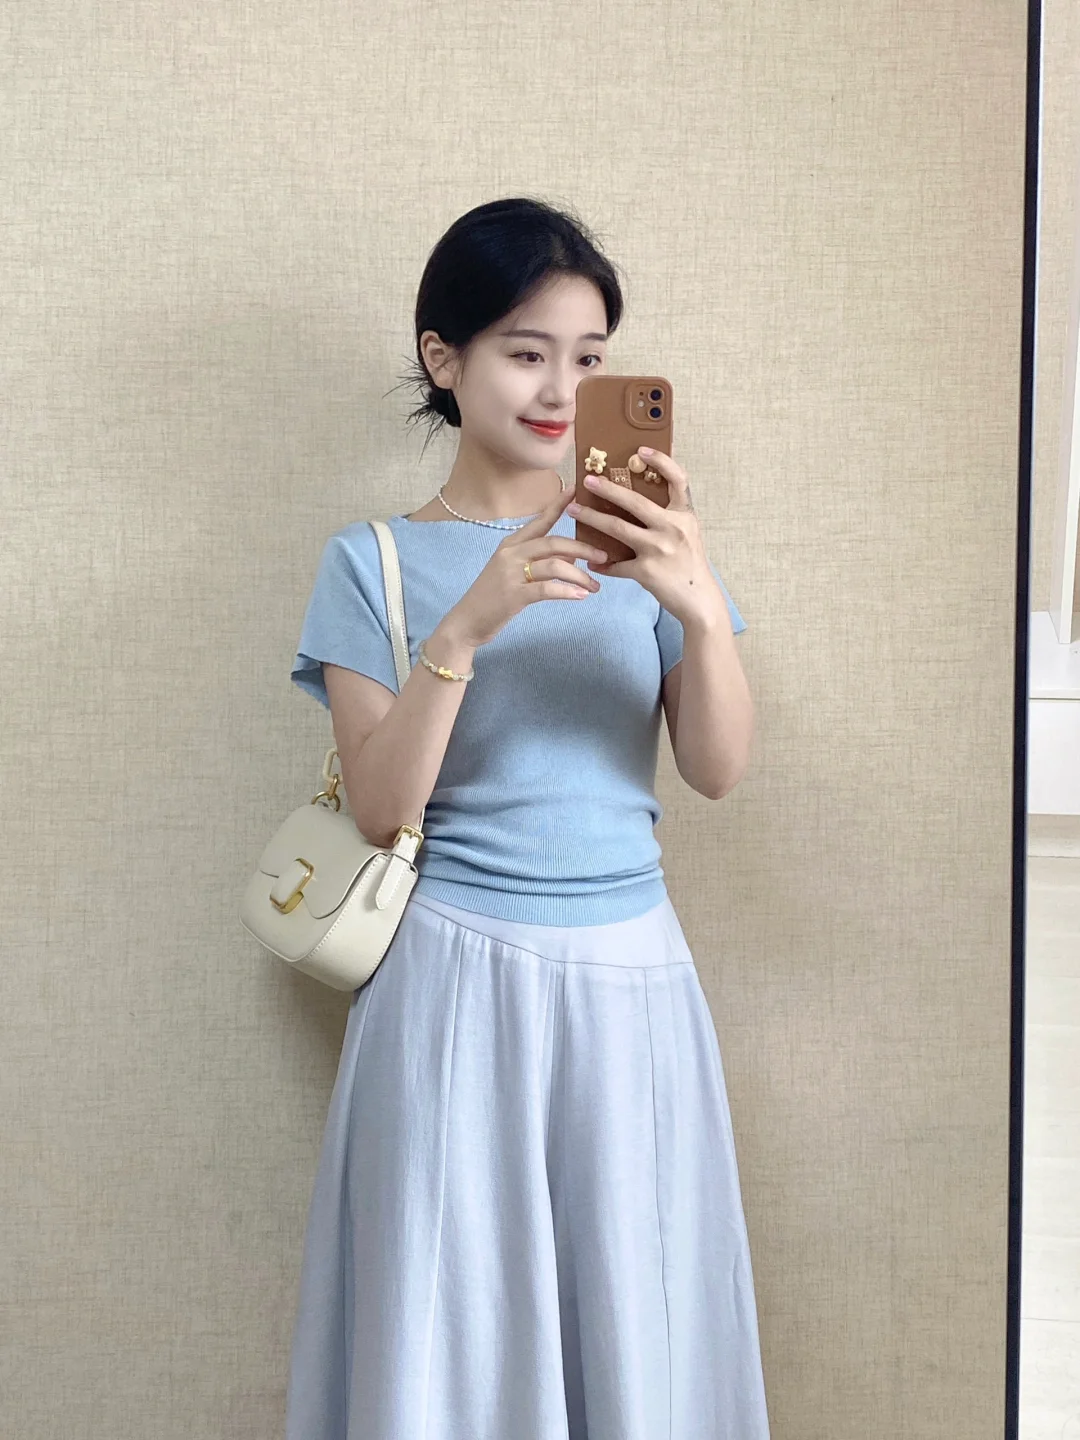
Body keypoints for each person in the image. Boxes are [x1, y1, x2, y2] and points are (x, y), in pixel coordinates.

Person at [284, 196, 771, 1440]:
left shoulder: (650, 549)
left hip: (634, 976)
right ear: (444, 359)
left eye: (590, 357)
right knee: (452, 1327)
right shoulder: (369, 561)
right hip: (450, 979)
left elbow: (717, 769)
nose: (562, 389)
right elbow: (383, 807)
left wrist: (697, 606)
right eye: (526, 350)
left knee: (639, 1315)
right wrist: (467, 625)